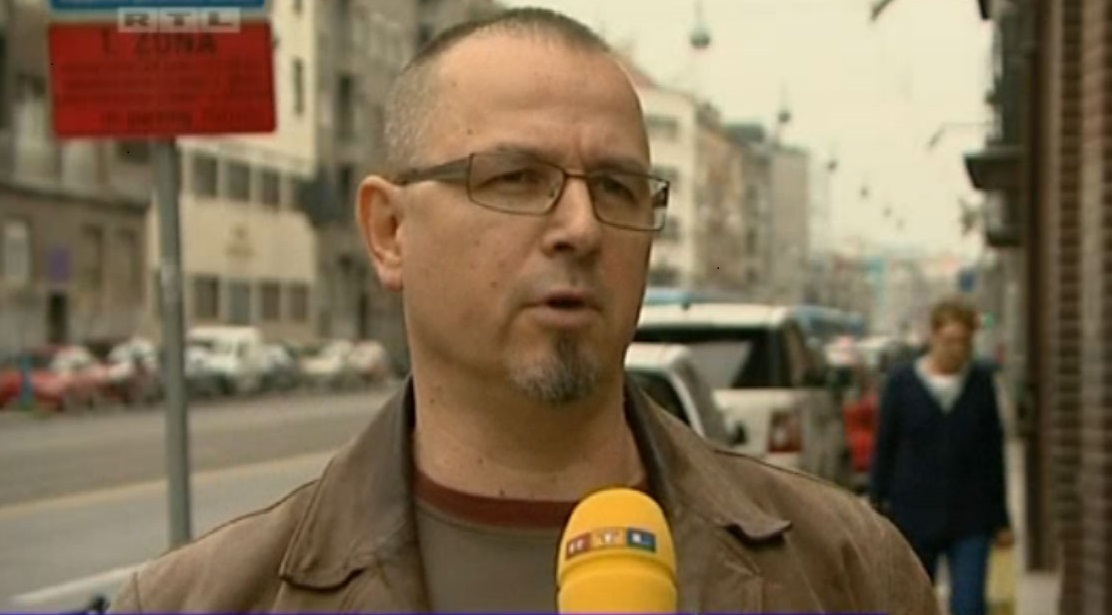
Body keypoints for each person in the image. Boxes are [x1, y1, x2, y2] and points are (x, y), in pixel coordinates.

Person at [109, 8, 939, 614]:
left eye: (617, 187)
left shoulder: (844, 571)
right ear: (390, 231)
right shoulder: (207, 600)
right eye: (514, 178)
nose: (581, 227)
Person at [869, 297, 1013, 615]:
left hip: (971, 516)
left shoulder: (980, 384)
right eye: (949, 340)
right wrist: (876, 506)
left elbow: (993, 453)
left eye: (964, 342)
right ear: (933, 336)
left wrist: (1002, 520)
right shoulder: (902, 383)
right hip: (914, 514)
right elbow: (885, 447)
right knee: (914, 603)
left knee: (969, 605)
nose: (956, 350)